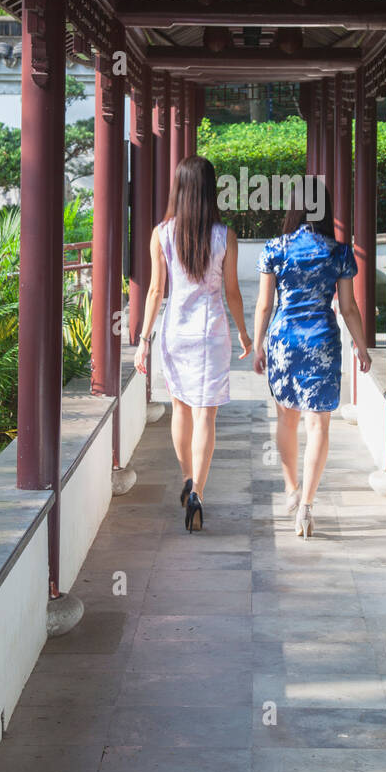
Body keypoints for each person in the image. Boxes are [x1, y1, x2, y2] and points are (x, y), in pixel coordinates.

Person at [134, 154, 251, 532]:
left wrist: (142, 340)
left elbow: (155, 291)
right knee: (206, 415)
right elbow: (232, 292)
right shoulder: (225, 236)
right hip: (212, 334)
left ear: (179, 190)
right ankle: (199, 490)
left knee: (181, 410)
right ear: (210, 190)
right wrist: (245, 335)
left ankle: (186, 478)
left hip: (175, 334)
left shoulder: (161, 234)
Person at [253, 177, 371, 539]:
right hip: (322, 343)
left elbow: (264, 304)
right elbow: (348, 308)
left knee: (286, 419)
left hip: (284, 342)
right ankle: (306, 505)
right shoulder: (339, 251)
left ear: (293, 207)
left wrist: (257, 344)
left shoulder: (275, 247)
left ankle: (290, 488)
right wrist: (362, 347)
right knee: (318, 426)